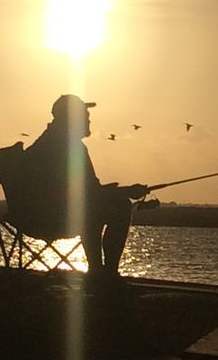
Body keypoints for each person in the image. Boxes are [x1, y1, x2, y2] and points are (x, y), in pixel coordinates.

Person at [23, 94, 147, 280]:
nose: (89, 119)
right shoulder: (69, 148)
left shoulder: (45, 144)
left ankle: (98, 271)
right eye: (84, 115)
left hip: (37, 215)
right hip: (55, 218)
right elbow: (88, 193)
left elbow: (86, 191)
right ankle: (105, 273)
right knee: (119, 206)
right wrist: (126, 192)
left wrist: (116, 191)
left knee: (95, 205)